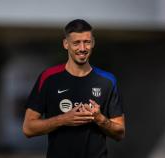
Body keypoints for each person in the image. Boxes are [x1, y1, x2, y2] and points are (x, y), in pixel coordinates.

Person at [23, 19, 125, 158]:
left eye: (87, 42)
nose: (82, 48)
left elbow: (120, 132)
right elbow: (28, 128)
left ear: (93, 42)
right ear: (66, 44)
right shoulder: (48, 78)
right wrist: (63, 119)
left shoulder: (107, 80)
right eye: (76, 43)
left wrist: (100, 119)